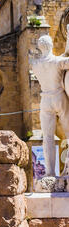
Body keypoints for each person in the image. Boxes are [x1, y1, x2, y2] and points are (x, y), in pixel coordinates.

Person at [31, 28, 69, 177]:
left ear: (40, 47)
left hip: (45, 100)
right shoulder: (58, 61)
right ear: (51, 45)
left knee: (47, 138)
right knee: (68, 133)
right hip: (59, 97)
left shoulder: (35, 64)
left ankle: (50, 173)